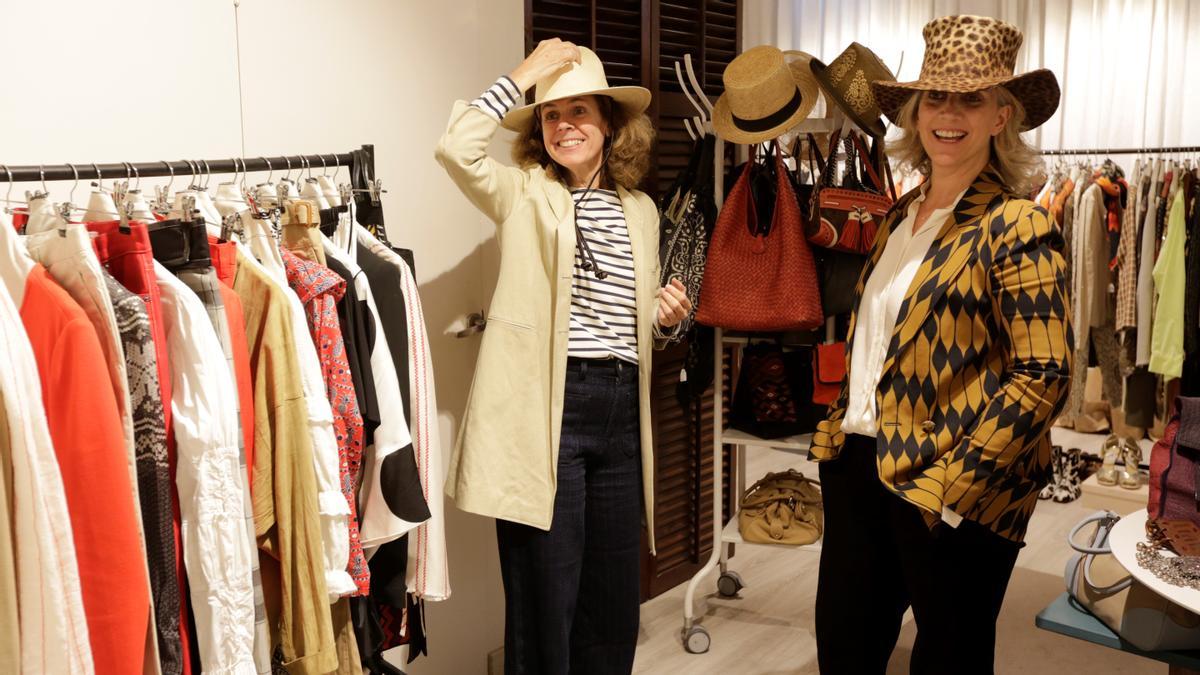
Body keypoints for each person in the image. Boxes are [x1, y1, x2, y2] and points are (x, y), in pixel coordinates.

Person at [809, 15, 1072, 675]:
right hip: (860, 468)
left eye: (971, 97)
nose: (948, 113)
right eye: (935, 96)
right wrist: (837, 435)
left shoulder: (1017, 224)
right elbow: (878, 343)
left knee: (948, 657)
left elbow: (1044, 373)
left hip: (952, 483)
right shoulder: (900, 215)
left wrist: (956, 484)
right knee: (844, 648)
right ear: (916, 113)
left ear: (1001, 116)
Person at [435, 38, 691, 674]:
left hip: (621, 411)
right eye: (550, 114)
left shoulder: (641, 211)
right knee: (545, 596)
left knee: (611, 599)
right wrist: (524, 75)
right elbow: (455, 148)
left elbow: (637, 324)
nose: (564, 125)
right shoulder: (523, 193)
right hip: (546, 413)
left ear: (609, 123)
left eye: (579, 111)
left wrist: (664, 318)